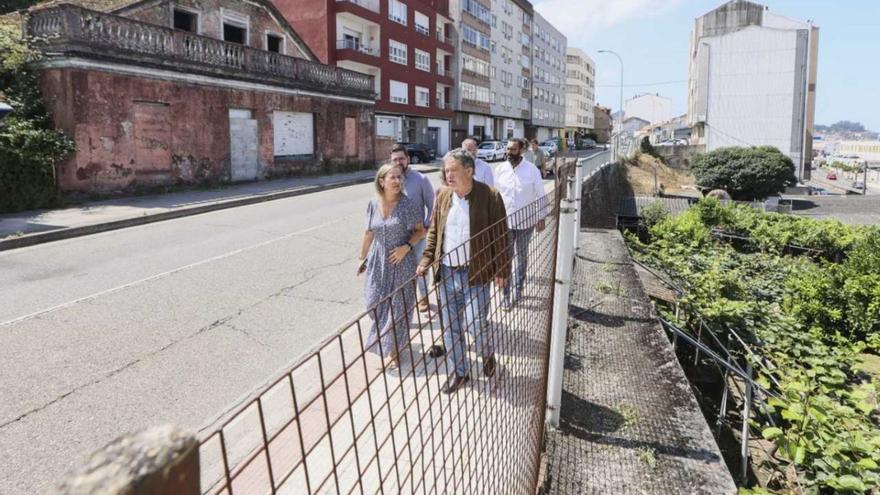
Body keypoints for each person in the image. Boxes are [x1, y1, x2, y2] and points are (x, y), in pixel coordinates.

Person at [417, 149, 510, 394]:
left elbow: (501, 236)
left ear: (469, 171)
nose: (448, 175)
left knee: (474, 324)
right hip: (446, 273)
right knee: (450, 327)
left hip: (475, 273)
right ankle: (460, 372)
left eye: (453, 170)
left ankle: (487, 353)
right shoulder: (443, 196)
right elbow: (435, 233)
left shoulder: (490, 196)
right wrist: (427, 258)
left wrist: (502, 270)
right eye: (446, 170)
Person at [358, 164, 426, 370]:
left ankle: (394, 349)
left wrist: (406, 247)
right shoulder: (372, 204)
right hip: (378, 261)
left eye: (399, 177)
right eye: (392, 177)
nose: (397, 181)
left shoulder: (408, 205)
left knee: (398, 309)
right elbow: (369, 232)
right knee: (373, 302)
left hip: (401, 261)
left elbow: (420, 231)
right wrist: (362, 258)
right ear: (381, 182)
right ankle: (387, 340)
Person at [493, 138, 546, 310]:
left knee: (521, 258)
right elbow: (494, 197)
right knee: (505, 259)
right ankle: (506, 295)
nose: (509, 152)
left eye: (513, 149)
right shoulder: (500, 170)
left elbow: (541, 195)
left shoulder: (532, 171)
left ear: (522, 151)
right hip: (504, 224)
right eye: (508, 149)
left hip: (526, 224)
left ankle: (518, 289)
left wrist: (541, 217)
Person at [390, 144, 435, 313]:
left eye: (401, 158)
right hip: (397, 236)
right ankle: (403, 302)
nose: (398, 162)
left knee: (420, 268)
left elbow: (433, 206)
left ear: (408, 159)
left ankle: (423, 298)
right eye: (395, 159)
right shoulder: (389, 179)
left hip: (419, 235)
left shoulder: (420, 179)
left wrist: (426, 226)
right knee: (399, 270)